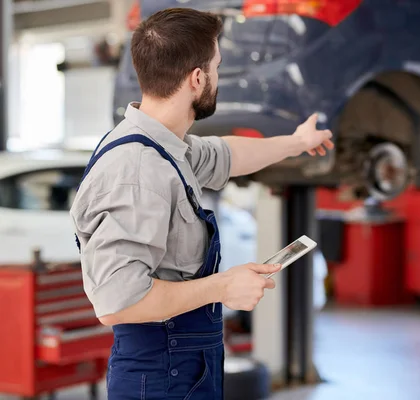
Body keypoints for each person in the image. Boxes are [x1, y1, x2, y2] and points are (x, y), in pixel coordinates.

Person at [69, 7, 334, 400]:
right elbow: (117, 303)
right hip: (161, 376)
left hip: (182, 367)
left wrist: (296, 143)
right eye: (217, 67)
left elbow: (226, 156)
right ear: (197, 79)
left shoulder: (163, 144)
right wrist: (223, 287)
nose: (218, 78)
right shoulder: (139, 169)